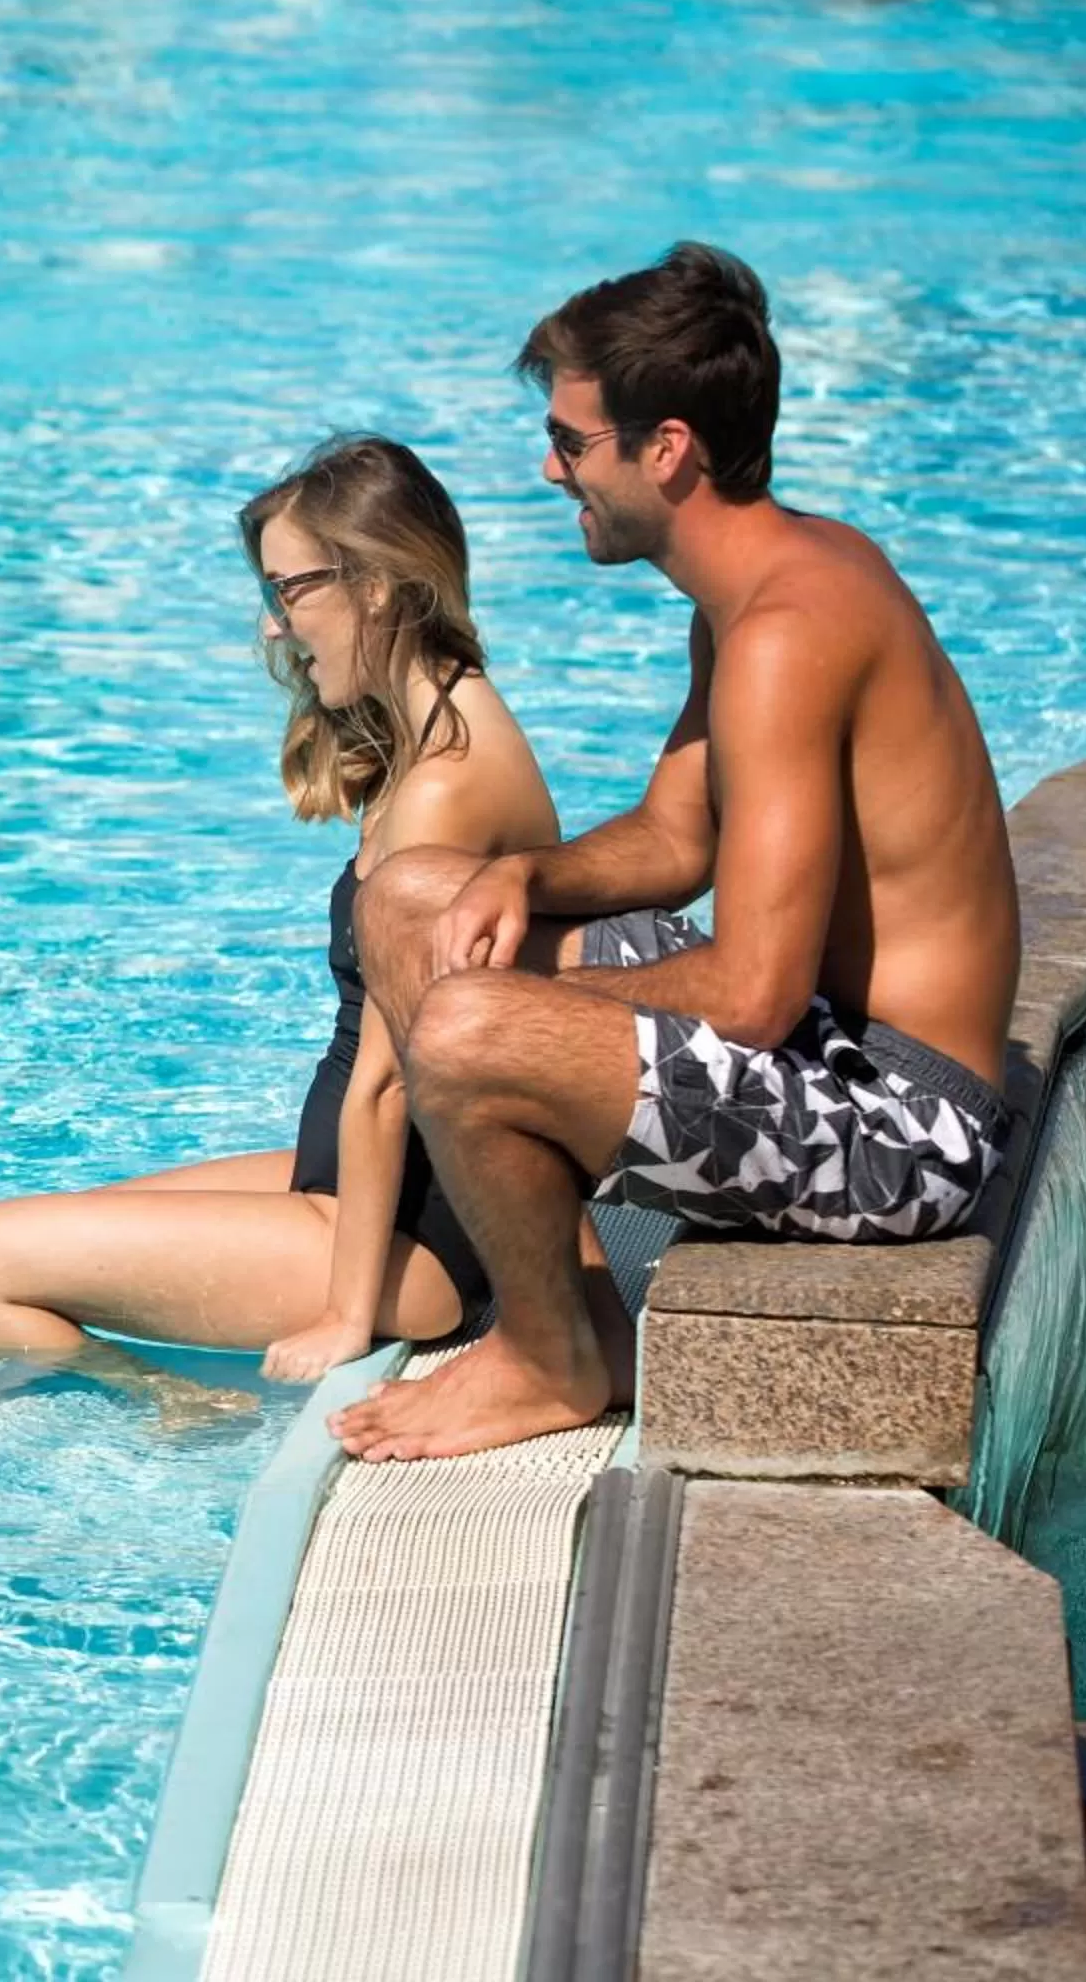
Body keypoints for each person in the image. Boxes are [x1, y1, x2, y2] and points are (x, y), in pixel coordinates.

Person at [331, 243, 1021, 1462]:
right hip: (823, 1042)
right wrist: (521, 878)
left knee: (464, 1027)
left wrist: (512, 1019)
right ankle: (575, 1307)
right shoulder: (760, 590)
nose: (552, 471)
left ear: (667, 449)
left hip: (903, 1127)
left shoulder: (788, 632)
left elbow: (750, 994)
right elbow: (675, 835)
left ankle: (547, 1365)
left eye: (574, 442)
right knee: (407, 901)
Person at [0, 433, 597, 1436]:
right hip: (367, 1191)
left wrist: (344, 1309)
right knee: (2, 1264)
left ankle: (178, 1402)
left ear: (374, 583)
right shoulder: (437, 734)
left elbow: (392, 1077)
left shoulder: (448, 783)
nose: (277, 623)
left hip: (417, 1238)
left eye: (293, 589)